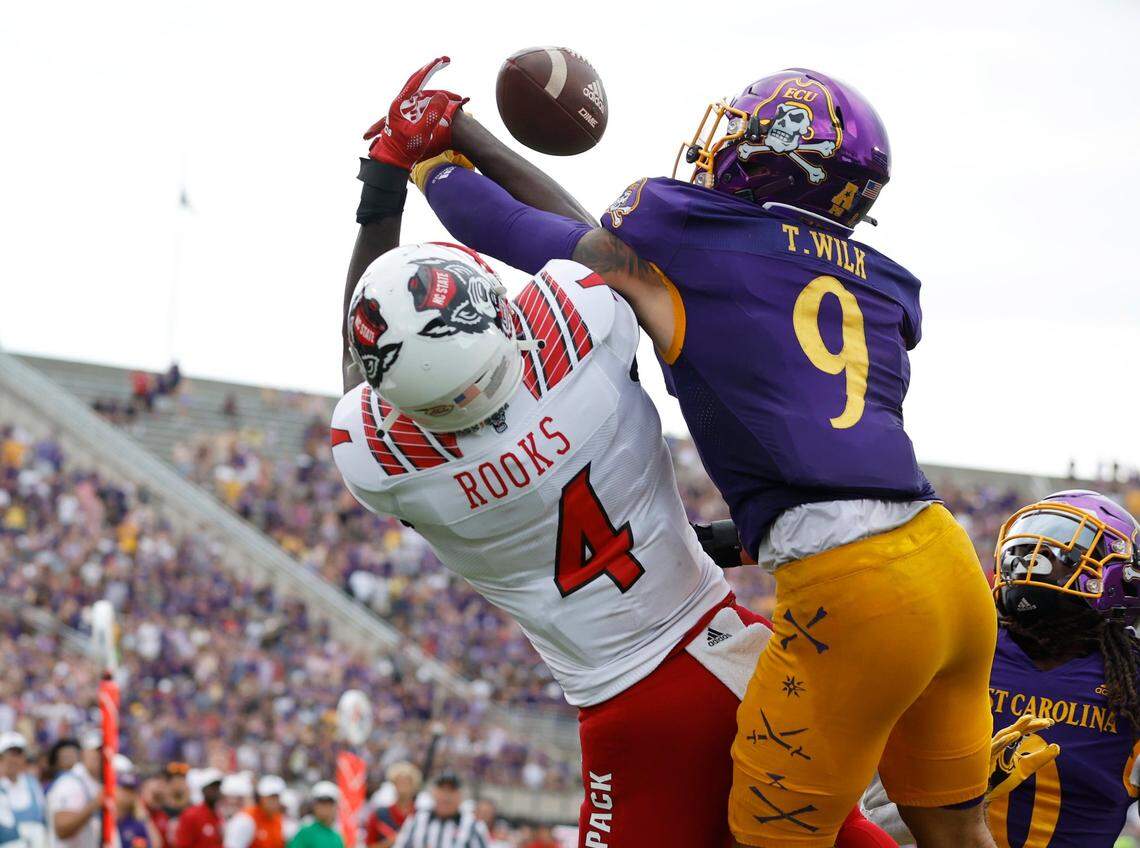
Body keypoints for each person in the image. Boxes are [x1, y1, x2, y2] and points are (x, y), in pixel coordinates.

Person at [404, 60, 997, 848]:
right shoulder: (885, 286)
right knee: (960, 836)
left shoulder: (692, 234)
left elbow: (541, 238)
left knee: (768, 838)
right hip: (948, 570)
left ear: (779, 154)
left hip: (857, 595)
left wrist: (433, 163)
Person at [865, 490, 1140, 847]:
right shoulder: (957, 643)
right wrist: (956, 795)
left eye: (1066, 547)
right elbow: (875, 810)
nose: (1032, 554)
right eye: (1028, 540)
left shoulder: (1130, 679)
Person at [392, 773, 487, 848]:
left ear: (460, 796)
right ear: (433, 793)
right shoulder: (416, 820)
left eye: (451, 791)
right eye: (442, 790)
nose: (446, 796)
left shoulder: (473, 826)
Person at [46, 730, 104, 848]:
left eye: (102, 751)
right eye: (95, 751)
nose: (100, 755)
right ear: (83, 753)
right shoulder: (70, 783)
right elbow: (62, 829)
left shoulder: (95, 783)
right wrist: (94, 805)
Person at [0, 732, 47, 848]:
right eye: (9, 754)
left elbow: (43, 819)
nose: (13, 759)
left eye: (18, 754)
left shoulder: (33, 784)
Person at [365, 764, 420, 848]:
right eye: (399, 781)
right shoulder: (379, 815)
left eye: (407, 782)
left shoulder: (421, 815)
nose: (403, 786)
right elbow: (369, 845)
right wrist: (389, 843)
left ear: (413, 786)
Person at [224, 776, 289, 848]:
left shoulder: (279, 819)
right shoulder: (245, 819)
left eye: (276, 797)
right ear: (260, 798)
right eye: (270, 797)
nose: (274, 801)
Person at [174, 770, 224, 848]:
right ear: (203, 790)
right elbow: (183, 844)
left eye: (218, 788)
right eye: (212, 788)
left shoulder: (218, 814)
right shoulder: (191, 815)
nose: (216, 791)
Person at [116, 763, 161, 848]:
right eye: (124, 789)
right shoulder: (105, 816)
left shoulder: (138, 822)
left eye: (131, 791)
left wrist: (144, 817)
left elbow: (156, 845)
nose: (127, 795)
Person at [148, 763, 191, 848]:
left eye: (182, 779)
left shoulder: (192, 811)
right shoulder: (157, 810)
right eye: (173, 780)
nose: (178, 783)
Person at [287, 784, 342, 848]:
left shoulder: (337, 837)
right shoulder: (305, 831)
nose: (325, 807)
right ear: (314, 805)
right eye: (321, 802)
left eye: (329, 803)